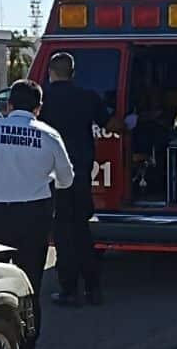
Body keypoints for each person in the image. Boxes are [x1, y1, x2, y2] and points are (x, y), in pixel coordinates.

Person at [0, 80, 75, 349]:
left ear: (9, 105)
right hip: (33, 217)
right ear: (38, 108)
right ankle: (27, 348)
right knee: (29, 283)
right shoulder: (48, 135)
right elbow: (67, 179)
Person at [39, 52, 123, 306]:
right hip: (81, 172)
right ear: (73, 73)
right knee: (82, 232)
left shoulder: (43, 98)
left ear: (50, 72)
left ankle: (68, 290)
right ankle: (93, 288)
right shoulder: (88, 97)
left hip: (52, 175)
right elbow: (112, 125)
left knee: (63, 235)